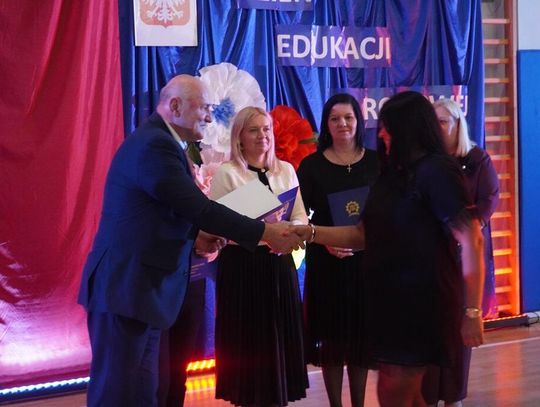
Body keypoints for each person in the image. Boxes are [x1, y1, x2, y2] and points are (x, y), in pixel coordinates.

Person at [77, 75, 303, 407]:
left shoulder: (162, 143)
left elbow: (162, 212)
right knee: (118, 395)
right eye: (205, 108)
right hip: (127, 290)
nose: (210, 117)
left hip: (141, 293)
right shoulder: (155, 146)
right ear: (175, 106)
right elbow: (198, 208)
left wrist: (197, 235)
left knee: (142, 395)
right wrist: (266, 232)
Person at [290, 91, 485, 407]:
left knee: (394, 389)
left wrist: (472, 310)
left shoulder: (437, 171)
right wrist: (309, 233)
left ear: (408, 129)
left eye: (388, 128)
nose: (381, 134)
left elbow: (472, 238)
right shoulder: (391, 175)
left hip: (422, 301)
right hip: (388, 301)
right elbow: (362, 234)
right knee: (401, 390)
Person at [209, 106, 310, 407]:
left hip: (279, 265)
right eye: (253, 130)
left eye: (266, 129)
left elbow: (300, 213)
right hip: (244, 266)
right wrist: (265, 233)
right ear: (239, 137)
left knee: (279, 339)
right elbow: (217, 226)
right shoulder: (227, 173)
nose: (262, 135)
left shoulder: (286, 170)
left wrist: (291, 233)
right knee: (249, 343)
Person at [297, 93, 378, 407]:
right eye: (334, 118)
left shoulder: (376, 162)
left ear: (359, 121)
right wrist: (326, 240)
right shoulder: (311, 166)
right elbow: (298, 215)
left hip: (366, 264)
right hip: (326, 262)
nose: (342, 123)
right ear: (326, 125)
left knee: (360, 338)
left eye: (348, 117)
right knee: (331, 339)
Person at [421, 98, 500, 407]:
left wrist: (462, 229)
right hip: (432, 254)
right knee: (431, 327)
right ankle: (429, 395)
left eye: (443, 121)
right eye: (434, 122)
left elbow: (488, 201)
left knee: (459, 328)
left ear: (458, 125)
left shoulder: (478, 159)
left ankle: (454, 396)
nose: (438, 127)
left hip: (465, 252)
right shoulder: (427, 162)